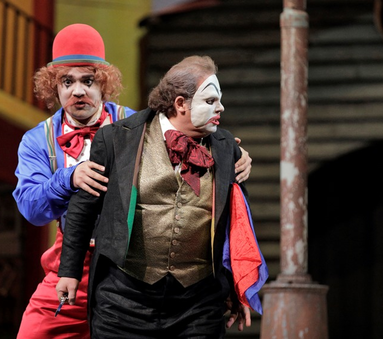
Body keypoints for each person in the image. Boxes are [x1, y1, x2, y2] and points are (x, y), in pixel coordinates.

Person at [14, 24, 252, 338]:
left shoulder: (134, 127)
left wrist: (231, 152)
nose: (78, 91)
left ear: (104, 83)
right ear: (53, 87)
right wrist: (68, 178)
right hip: (70, 263)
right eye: (67, 82)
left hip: (127, 266)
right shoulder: (38, 140)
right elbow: (32, 209)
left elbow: (191, 143)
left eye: (88, 80)